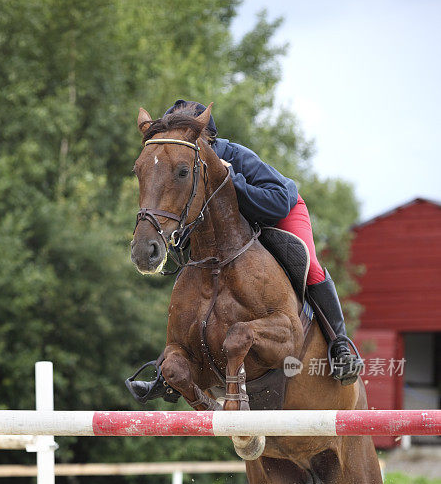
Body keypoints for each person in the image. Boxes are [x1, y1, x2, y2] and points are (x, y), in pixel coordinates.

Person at [127, 99, 362, 404]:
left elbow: (277, 200)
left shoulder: (233, 155)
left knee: (311, 264)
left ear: (206, 138)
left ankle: (340, 345)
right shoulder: (182, 159)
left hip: (280, 210)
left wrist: (230, 179)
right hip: (229, 229)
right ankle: (165, 371)